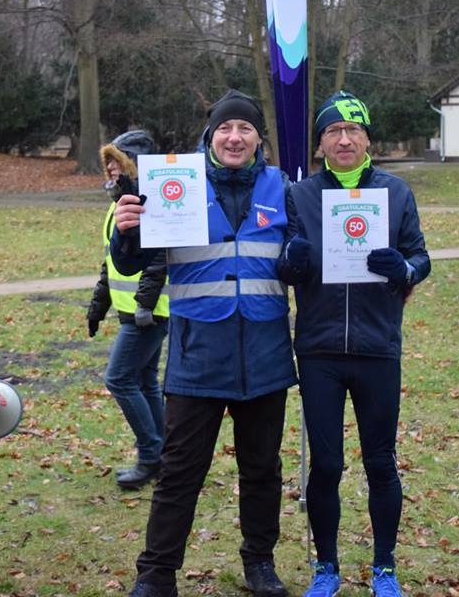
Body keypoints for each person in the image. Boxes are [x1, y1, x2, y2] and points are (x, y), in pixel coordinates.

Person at [111, 90, 297, 597]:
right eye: (225, 129)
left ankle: (260, 564)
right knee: (179, 472)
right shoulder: (178, 184)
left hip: (264, 354)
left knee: (262, 470)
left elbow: (301, 261)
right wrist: (126, 232)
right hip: (198, 355)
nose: (234, 137)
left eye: (245, 129)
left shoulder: (281, 187)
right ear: (211, 135)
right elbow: (131, 260)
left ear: (259, 138)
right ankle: (156, 574)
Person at [278, 91, 431, 597]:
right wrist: (292, 262)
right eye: (332, 131)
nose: (343, 139)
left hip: (377, 348)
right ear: (320, 143)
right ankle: (326, 567)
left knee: (380, 462)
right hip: (320, 350)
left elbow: (420, 258)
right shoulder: (300, 195)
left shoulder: (395, 192)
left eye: (353, 130)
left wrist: (403, 269)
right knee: (326, 465)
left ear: (367, 139)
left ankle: (384, 567)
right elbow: (283, 263)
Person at [87, 130, 170, 490]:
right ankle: (166, 454)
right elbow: (111, 263)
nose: (110, 168)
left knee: (119, 379)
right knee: (145, 381)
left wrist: (144, 306)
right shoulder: (118, 205)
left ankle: (151, 456)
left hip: (149, 313)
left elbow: (159, 259)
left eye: (117, 162)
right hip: (134, 313)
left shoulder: (148, 203)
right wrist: (97, 308)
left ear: (134, 166)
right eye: (107, 162)